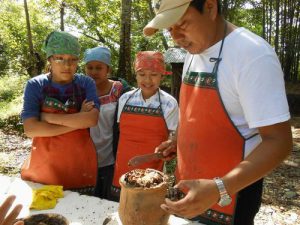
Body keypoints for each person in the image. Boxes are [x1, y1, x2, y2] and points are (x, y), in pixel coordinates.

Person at [143, 0, 293, 225]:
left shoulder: (252, 54)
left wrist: (220, 188)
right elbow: (195, 110)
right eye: (169, 28)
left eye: (182, 24)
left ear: (210, 8)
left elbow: (279, 141)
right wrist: (178, 139)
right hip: (187, 184)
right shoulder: (193, 51)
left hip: (232, 194)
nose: (175, 37)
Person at [20, 31, 99, 194]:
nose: (67, 65)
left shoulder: (86, 83)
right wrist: (78, 121)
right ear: (50, 59)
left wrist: (47, 117)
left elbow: (91, 120)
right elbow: (31, 129)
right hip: (44, 166)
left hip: (80, 164)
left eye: (72, 59)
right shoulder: (36, 85)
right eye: (59, 58)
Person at [111, 51, 179, 199]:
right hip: (123, 162)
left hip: (153, 166)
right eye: (142, 74)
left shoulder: (169, 103)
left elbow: (174, 134)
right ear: (135, 75)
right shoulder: (125, 99)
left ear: (162, 75)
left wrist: (170, 146)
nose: (147, 79)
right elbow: (119, 131)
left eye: (154, 74)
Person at [83, 46, 132, 200]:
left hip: (112, 153)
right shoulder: (80, 90)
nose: (94, 72)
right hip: (86, 154)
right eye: (90, 67)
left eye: (99, 68)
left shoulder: (120, 90)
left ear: (108, 69)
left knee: (110, 198)